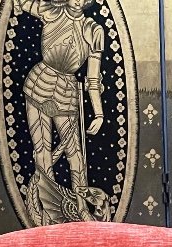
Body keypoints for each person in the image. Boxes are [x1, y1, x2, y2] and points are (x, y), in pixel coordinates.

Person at [13, 0, 106, 222]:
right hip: (38, 84)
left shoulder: (94, 30)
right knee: (42, 151)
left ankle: (83, 209)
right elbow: (23, 3)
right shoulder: (50, 10)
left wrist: (99, 113)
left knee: (75, 153)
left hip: (66, 92)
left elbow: (93, 79)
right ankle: (45, 214)